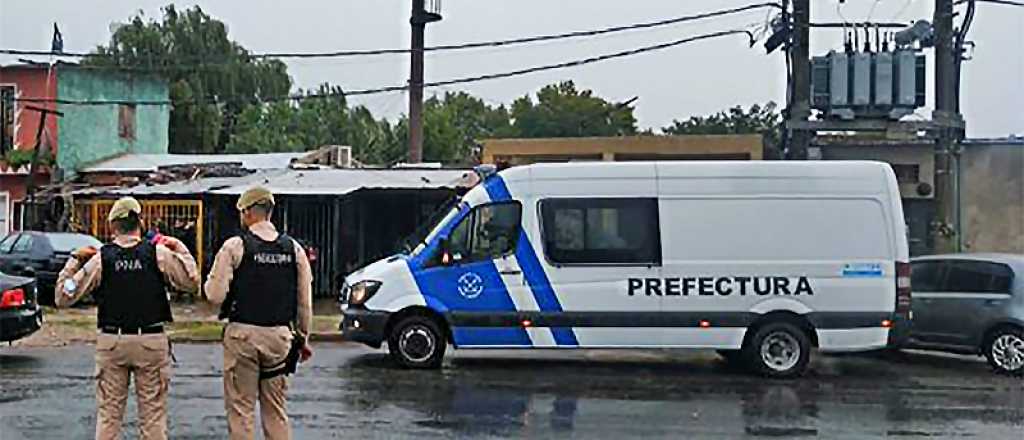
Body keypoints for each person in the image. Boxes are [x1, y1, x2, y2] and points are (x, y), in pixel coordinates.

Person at [55, 196, 199, 440]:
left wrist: (74, 260)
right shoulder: (158, 254)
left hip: (112, 341)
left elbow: (63, 295)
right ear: (140, 222)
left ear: (112, 226)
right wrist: (180, 247)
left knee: (109, 416)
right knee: (153, 417)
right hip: (151, 340)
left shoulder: (102, 258)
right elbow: (192, 283)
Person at [205, 186, 313, 440]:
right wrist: (303, 338)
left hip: (242, 336)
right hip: (279, 337)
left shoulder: (235, 246)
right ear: (270, 212)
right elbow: (304, 302)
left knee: (241, 411)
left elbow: (214, 296)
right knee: (275, 410)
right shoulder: (293, 249)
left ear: (247, 212)